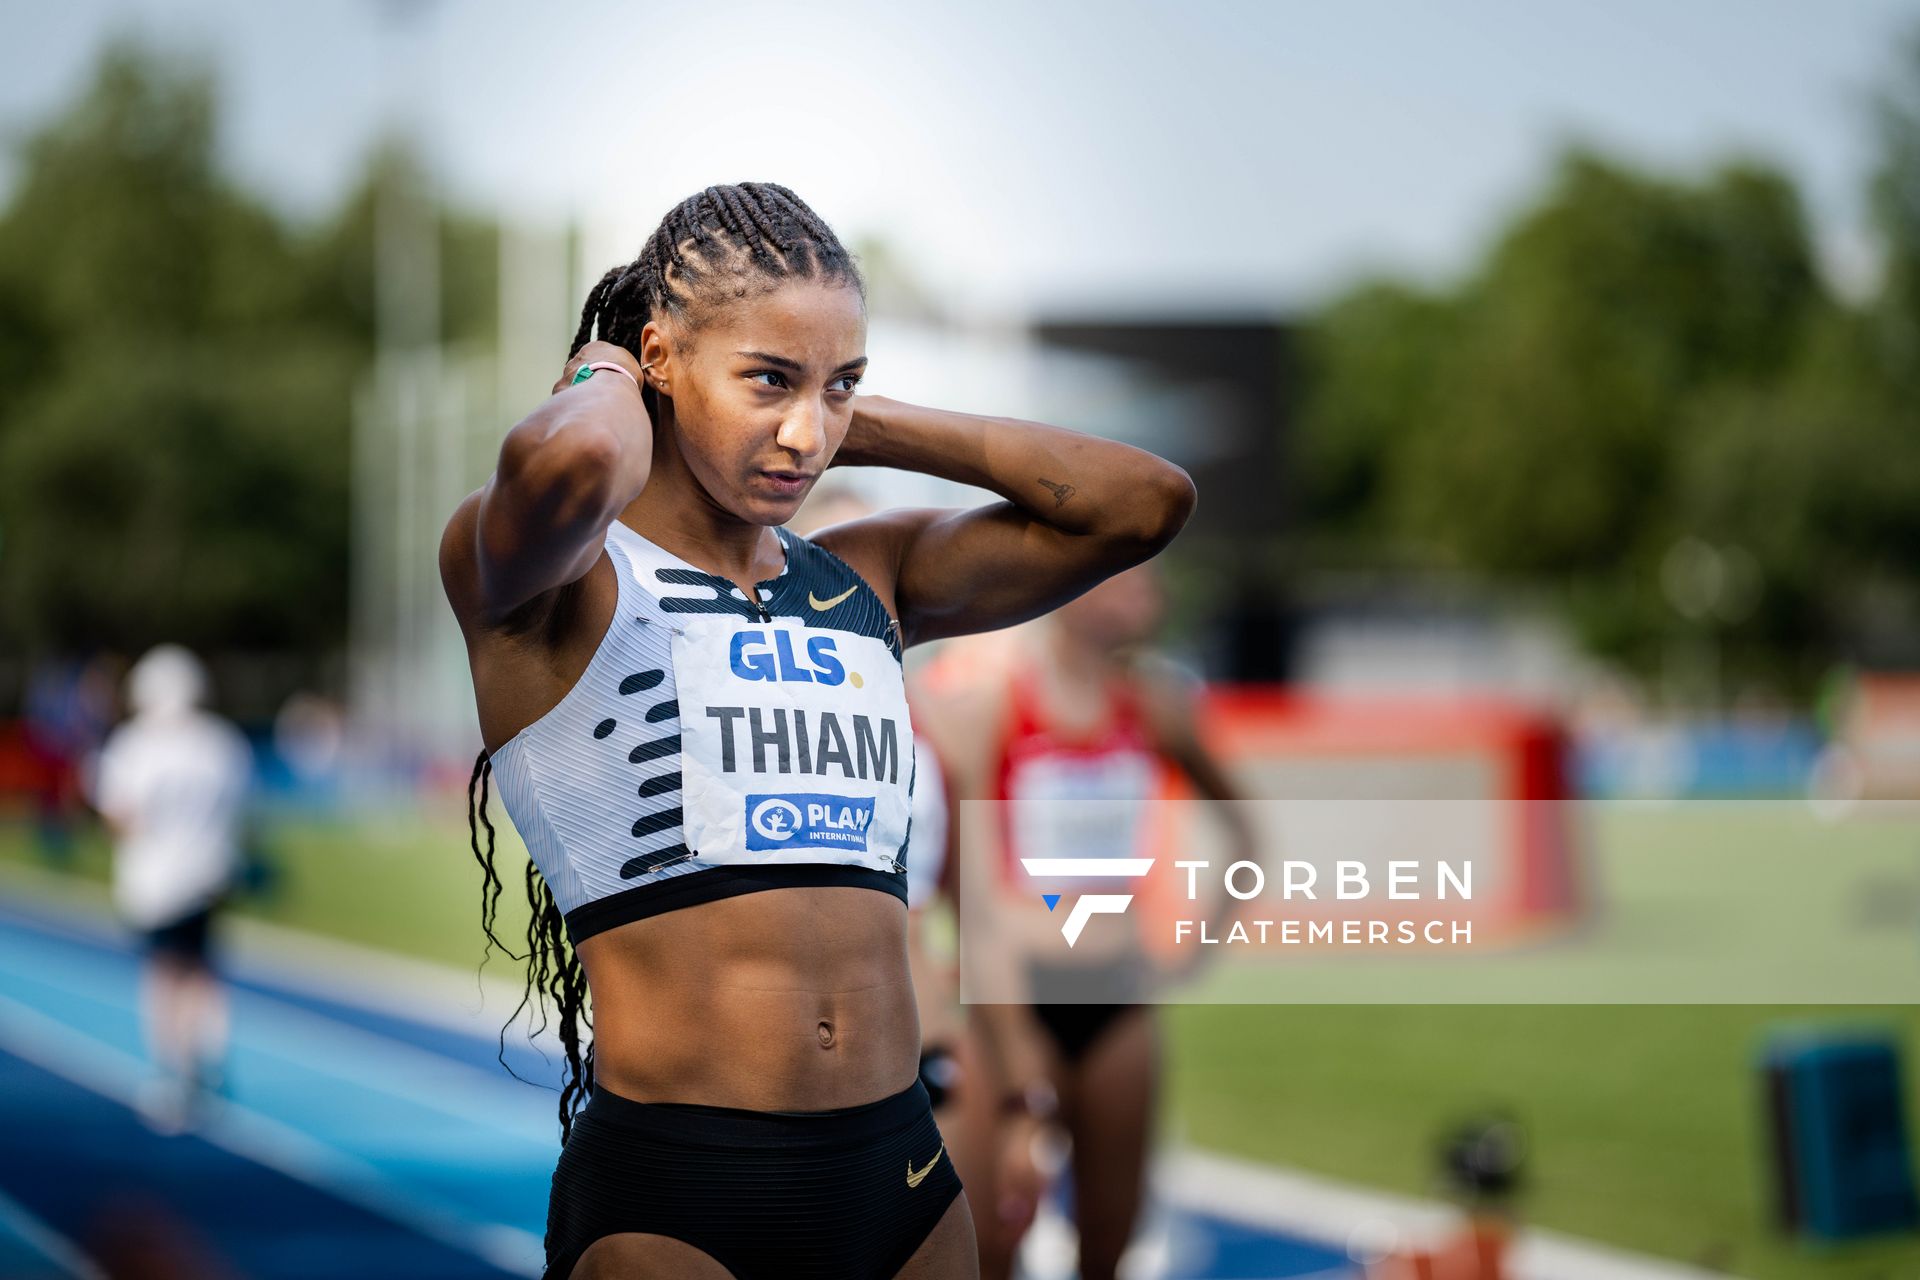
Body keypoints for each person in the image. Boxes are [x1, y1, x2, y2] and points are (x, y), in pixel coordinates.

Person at [440, 182, 1195, 1280]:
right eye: (768, 379)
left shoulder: (868, 577)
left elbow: (1142, 503)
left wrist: (842, 416)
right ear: (662, 355)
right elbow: (570, 464)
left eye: (840, 384)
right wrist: (609, 366)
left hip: (898, 1172)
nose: (803, 431)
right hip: (680, 1187)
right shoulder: (560, 582)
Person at [919, 564, 1255, 1280]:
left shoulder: (1156, 709)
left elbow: (1246, 834)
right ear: (1070, 589)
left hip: (1117, 995)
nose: (1149, 594)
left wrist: (1196, 944)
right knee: (993, 1242)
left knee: (1109, 1243)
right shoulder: (993, 704)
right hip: (1013, 1001)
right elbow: (965, 878)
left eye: (1155, 581)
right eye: (1127, 578)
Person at [90, 644, 253, 1132]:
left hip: (155, 881)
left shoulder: (134, 745)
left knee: (165, 976)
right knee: (202, 971)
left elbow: (119, 817)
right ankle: (209, 1061)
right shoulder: (223, 743)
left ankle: (172, 1076)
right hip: (211, 874)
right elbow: (244, 811)